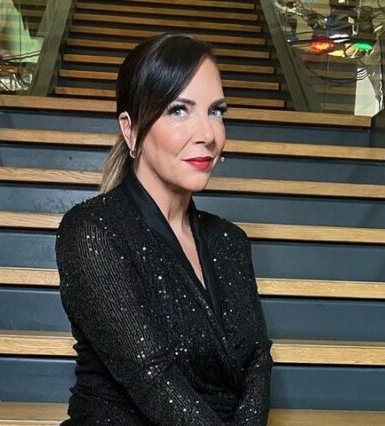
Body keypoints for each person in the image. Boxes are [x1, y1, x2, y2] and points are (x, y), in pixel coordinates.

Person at [55, 33, 273, 425]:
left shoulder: (230, 241)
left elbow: (257, 363)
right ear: (131, 129)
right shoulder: (92, 231)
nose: (208, 135)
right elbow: (151, 377)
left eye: (216, 111)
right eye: (179, 110)